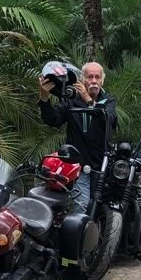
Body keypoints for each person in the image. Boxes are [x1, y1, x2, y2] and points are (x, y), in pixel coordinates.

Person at [38, 59, 118, 213]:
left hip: (102, 167)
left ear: (102, 80)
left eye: (97, 77)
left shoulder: (108, 101)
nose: (93, 81)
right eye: (89, 77)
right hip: (78, 167)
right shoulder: (71, 101)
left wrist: (89, 101)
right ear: (82, 79)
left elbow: (110, 120)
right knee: (81, 209)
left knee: (101, 210)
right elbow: (53, 120)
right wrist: (44, 98)